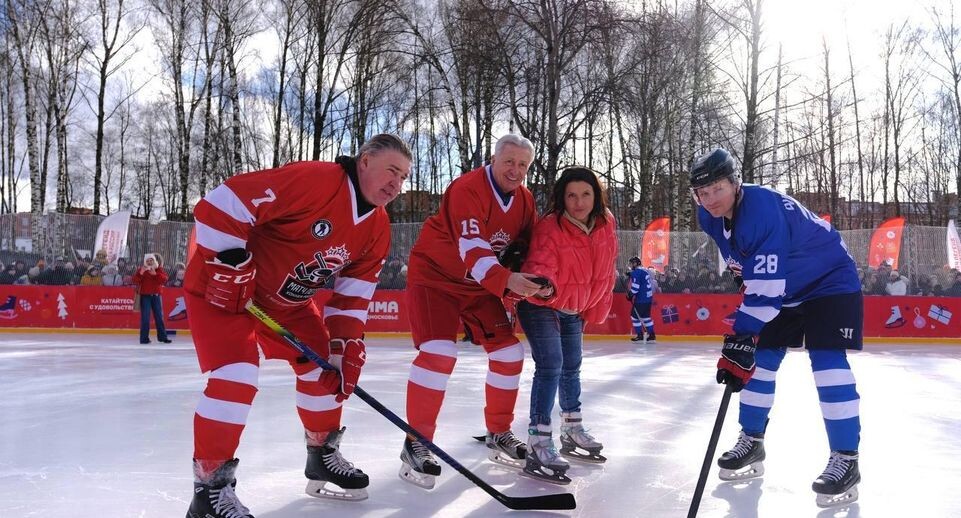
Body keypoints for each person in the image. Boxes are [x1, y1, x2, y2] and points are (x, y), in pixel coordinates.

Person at [182, 134, 412, 517]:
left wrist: (344, 346)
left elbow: (352, 297)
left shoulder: (378, 228)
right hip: (227, 291)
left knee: (326, 370)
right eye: (391, 170)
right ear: (365, 160)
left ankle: (321, 453)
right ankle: (209, 490)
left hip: (288, 303)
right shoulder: (316, 181)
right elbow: (222, 203)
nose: (396, 184)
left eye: (403, 178)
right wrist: (230, 262)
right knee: (236, 376)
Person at [691, 148, 863, 508]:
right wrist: (744, 336)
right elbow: (746, 266)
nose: (710, 200)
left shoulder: (762, 211)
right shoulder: (709, 216)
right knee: (759, 362)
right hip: (784, 287)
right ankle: (751, 441)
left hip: (828, 280)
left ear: (736, 183)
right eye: (702, 193)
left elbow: (766, 294)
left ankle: (846, 459)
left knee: (828, 364)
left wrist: (740, 333)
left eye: (717, 189)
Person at [399, 134, 543, 490]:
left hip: (480, 286)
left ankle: (499, 432)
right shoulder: (467, 188)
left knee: (510, 353)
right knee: (438, 353)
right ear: (494, 159)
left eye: (523, 165)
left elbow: (531, 246)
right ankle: (416, 442)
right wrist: (506, 280)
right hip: (436, 278)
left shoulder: (524, 200)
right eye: (509, 162)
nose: (515, 171)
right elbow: (473, 247)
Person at [514, 166, 618, 484]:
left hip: (573, 308)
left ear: (595, 196)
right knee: (552, 366)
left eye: (585, 194)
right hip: (542, 304)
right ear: (562, 198)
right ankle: (539, 439)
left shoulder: (606, 224)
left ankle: (572, 429)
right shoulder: (550, 226)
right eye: (571, 195)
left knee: (572, 366)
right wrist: (543, 285)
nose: (579, 202)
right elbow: (541, 262)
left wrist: (594, 306)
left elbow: (606, 270)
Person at [132, 253, 171, 344]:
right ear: (145, 261)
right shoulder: (142, 270)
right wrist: (141, 273)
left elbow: (164, 280)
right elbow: (134, 281)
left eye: (151, 260)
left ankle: (163, 337)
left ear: (154, 261)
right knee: (145, 318)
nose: (149, 262)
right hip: (145, 297)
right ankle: (144, 338)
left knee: (159, 317)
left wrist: (155, 274)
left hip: (156, 296)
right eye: (148, 261)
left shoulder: (158, 269)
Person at [626, 257, 656, 343]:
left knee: (634, 316)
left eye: (632, 263)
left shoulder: (636, 272)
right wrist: (631, 274)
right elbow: (640, 277)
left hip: (641, 299)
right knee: (646, 317)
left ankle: (640, 335)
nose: (631, 265)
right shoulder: (644, 270)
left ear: (636, 264)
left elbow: (636, 287)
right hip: (648, 299)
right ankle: (652, 335)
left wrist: (630, 295)